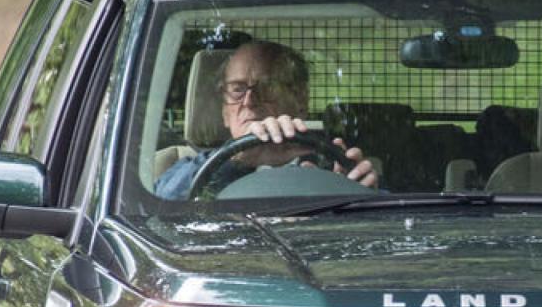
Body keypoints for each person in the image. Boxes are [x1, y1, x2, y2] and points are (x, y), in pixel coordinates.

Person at [155, 40, 377, 199]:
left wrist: (358, 197)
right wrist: (238, 159)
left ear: (300, 101)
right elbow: (159, 206)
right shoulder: (193, 168)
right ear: (225, 113)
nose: (249, 101)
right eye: (237, 89)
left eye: (267, 87)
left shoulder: (332, 164)